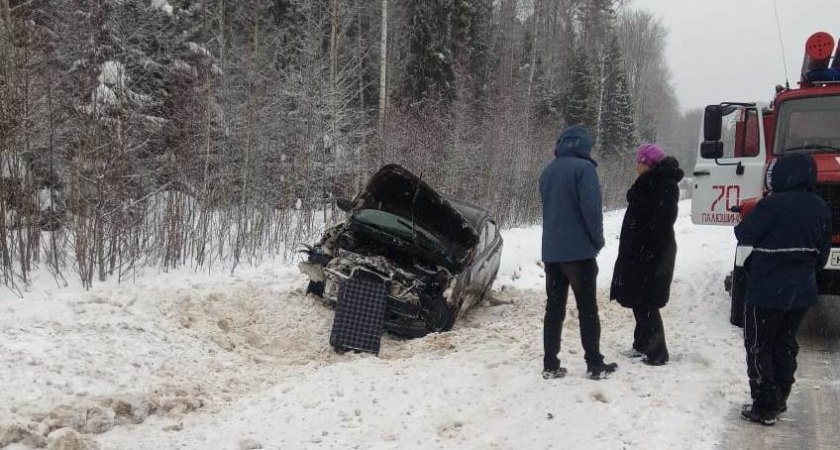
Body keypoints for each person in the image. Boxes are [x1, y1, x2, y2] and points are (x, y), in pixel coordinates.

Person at [735, 153, 831, 426]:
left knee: (758, 345)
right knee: (785, 344)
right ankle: (779, 397)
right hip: (801, 291)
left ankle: (764, 406)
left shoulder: (772, 205)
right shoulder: (820, 206)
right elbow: (821, 255)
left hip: (766, 289)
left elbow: (744, 234)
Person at [539, 125, 617, 380]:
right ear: (583, 146)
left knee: (554, 309)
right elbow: (591, 211)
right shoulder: (585, 170)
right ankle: (594, 363)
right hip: (580, 253)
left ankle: (550, 364)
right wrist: (597, 241)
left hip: (552, 253)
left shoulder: (547, 172)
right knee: (587, 309)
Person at [610, 143, 683, 366]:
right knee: (638, 299)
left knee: (646, 302)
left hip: (652, 254)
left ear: (648, 163)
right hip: (642, 252)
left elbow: (662, 222)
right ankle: (641, 344)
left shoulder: (664, 185)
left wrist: (638, 240)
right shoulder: (651, 183)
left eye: (639, 161)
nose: (636, 166)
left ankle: (657, 353)